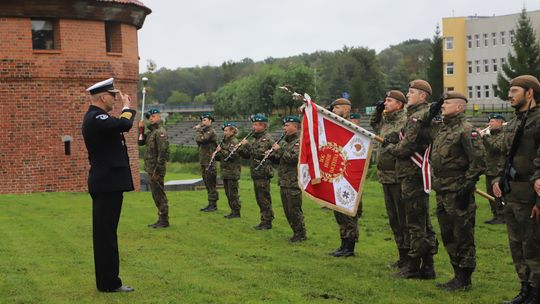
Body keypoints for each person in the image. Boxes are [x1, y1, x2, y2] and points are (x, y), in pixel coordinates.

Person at [82, 78, 135, 292]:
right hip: (106, 184)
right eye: (113, 95)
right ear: (103, 97)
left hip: (108, 183)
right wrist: (127, 107)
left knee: (107, 234)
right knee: (106, 237)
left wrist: (123, 108)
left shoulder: (98, 117)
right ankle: (109, 283)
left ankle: (108, 281)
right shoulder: (96, 117)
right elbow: (124, 124)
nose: (116, 98)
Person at [430, 91, 485, 291]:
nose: (443, 105)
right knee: (447, 233)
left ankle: (464, 277)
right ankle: (456, 274)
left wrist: (467, 184)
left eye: (447, 103)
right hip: (442, 189)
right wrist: (432, 111)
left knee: (462, 233)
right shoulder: (443, 128)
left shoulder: (466, 129)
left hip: (458, 190)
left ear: (459, 107)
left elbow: (478, 160)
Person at [492, 75, 540, 304]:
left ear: (529, 93)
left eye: (515, 91)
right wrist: (496, 179)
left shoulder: (538, 120)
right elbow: (504, 153)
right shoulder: (514, 122)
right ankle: (524, 289)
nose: (510, 95)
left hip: (531, 192)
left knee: (533, 245)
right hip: (512, 191)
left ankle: (536, 291)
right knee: (517, 244)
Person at [384, 79, 438, 279]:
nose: (408, 95)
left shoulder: (418, 117)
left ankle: (414, 266)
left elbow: (405, 148)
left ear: (422, 95)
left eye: (411, 92)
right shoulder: (417, 115)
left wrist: (389, 147)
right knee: (422, 221)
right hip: (413, 175)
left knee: (415, 222)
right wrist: (392, 137)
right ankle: (428, 266)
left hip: (413, 174)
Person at [370, 90, 409, 270]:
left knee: (404, 219)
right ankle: (402, 255)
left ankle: (410, 256)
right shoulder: (387, 120)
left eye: (389, 100)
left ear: (399, 104)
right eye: (385, 100)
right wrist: (377, 112)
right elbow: (376, 127)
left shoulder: (404, 120)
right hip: (385, 176)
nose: (385, 103)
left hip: (398, 175)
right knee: (394, 219)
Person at [328, 98, 362, 257]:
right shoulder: (335, 126)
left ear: (346, 109)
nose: (334, 110)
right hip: (338, 175)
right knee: (339, 211)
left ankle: (350, 247)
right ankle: (343, 244)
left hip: (350, 177)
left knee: (349, 212)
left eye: (337, 108)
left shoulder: (352, 127)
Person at [272, 115, 306, 242]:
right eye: (284, 125)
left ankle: (301, 233)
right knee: (287, 209)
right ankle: (295, 232)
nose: (284, 128)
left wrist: (280, 151)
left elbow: (295, 159)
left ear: (295, 127)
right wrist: (272, 155)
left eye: (287, 126)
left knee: (294, 209)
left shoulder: (299, 142)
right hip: (284, 181)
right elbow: (281, 160)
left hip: (293, 181)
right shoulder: (287, 142)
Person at [238, 114, 275, 230]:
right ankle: (264, 220)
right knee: (259, 198)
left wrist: (247, 145)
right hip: (256, 172)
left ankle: (267, 221)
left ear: (263, 126)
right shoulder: (256, 138)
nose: (253, 127)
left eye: (256, 125)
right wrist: (240, 149)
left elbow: (260, 153)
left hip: (263, 173)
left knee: (264, 198)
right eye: (253, 124)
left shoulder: (266, 139)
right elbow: (250, 155)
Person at [138, 108, 170, 228]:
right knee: (156, 194)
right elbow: (140, 142)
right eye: (149, 117)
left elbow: (163, 153)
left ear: (159, 117)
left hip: (156, 170)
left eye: (153, 116)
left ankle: (164, 220)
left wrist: (158, 170)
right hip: (151, 169)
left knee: (159, 194)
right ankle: (161, 218)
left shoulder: (160, 132)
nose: (150, 118)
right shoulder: (152, 132)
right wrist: (140, 129)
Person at [481, 113, 506, 225]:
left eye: (493, 121)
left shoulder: (504, 134)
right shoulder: (490, 135)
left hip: (499, 170)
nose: (490, 124)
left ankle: (502, 216)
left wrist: (485, 136)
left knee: (499, 194)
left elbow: (497, 148)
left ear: (500, 122)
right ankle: (496, 215)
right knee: (490, 194)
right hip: (489, 169)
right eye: (490, 121)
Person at [214, 122, 242, 219]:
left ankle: (236, 211)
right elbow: (220, 158)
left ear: (232, 131)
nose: (224, 133)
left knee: (233, 193)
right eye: (224, 131)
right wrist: (216, 153)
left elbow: (232, 155)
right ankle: (232, 210)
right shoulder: (224, 141)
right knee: (227, 192)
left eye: (226, 130)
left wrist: (221, 150)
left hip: (232, 171)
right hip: (225, 171)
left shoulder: (234, 142)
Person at [195, 112, 219, 212]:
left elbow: (202, 139)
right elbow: (198, 140)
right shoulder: (203, 131)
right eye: (202, 120)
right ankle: (210, 203)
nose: (202, 122)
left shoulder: (211, 131)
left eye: (205, 120)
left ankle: (213, 205)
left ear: (210, 121)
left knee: (211, 183)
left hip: (210, 161)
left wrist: (198, 130)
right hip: (204, 161)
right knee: (207, 183)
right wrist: (200, 131)